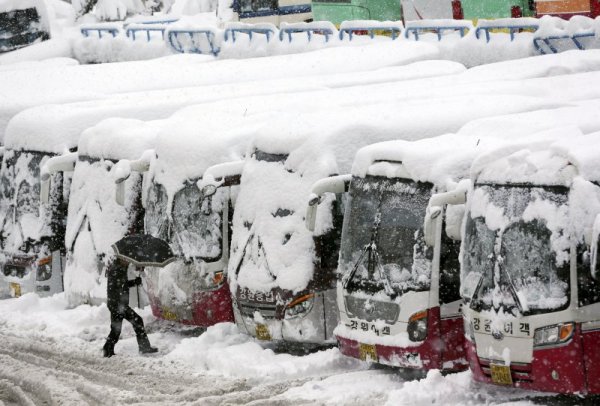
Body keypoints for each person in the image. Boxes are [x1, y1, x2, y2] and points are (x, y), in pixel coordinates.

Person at [103, 259, 158, 357]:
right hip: (117, 304)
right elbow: (119, 285)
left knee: (116, 329)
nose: (128, 262)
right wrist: (132, 282)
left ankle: (108, 348)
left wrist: (135, 282)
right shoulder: (115, 269)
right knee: (137, 321)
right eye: (126, 260)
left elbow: (123, 284)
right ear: (121, 259)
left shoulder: (120, 267)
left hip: (118, 304)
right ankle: (144, 347)